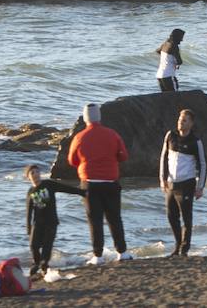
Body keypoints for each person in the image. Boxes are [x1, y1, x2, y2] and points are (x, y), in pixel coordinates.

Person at [66, 103, 131, 265]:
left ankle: (98, 255)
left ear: (85, 118)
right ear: (99, 116)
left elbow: (72, 160)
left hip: (90, 183)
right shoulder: (112, 134)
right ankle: (122, 252)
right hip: (110, 182)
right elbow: (123, 156)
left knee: (95, 220)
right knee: (114, 218)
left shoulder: (80, 137)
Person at [159, 109, 207, 258]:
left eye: (185, 120)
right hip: (171, 183)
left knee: (186, 217)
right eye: (180, 119)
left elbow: (203, 164)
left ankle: (184, 249)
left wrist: (200, 187)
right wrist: (162, 179)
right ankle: (177, 245)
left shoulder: (195, 141)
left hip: (187, 183)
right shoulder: (170, 136)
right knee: (171, 216)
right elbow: (163, 158)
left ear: (191, 124)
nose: (181, 122)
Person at [23, 164, 80, 277]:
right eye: (32, 173)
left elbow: (65, 188)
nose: (35, 175)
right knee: (33, 246)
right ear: (28, 177)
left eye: (37, 172)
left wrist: (81, 192)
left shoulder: (48, 184)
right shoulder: (30, 192)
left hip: (51, 222)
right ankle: (36, 264)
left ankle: (44, 266)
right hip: (37, 223)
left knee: (47, 246)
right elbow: (29, 212)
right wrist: (29, 229)